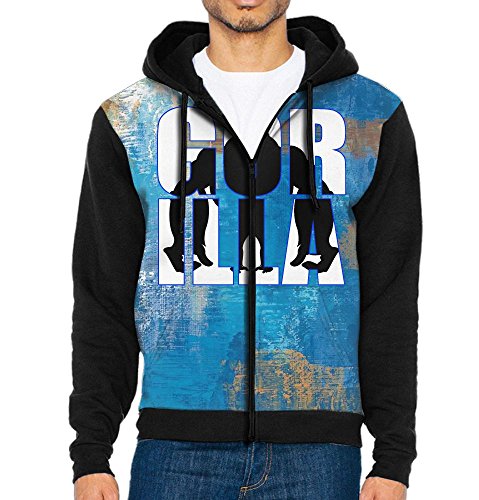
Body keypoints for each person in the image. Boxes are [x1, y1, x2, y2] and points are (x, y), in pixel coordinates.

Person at [70, 1, 422, 499]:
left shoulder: (371, 114)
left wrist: (393, 456)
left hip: (320, 453)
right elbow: (102, 294)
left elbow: (391, 297)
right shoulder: (130, 118)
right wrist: (91, 452)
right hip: (175, 452)